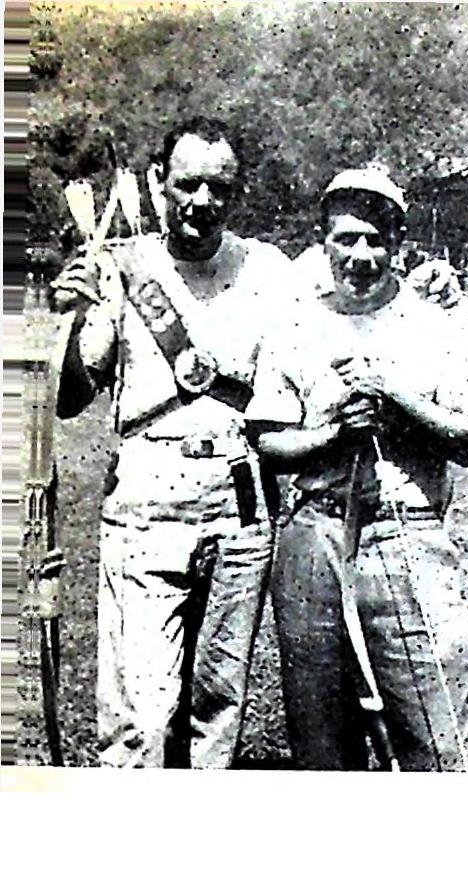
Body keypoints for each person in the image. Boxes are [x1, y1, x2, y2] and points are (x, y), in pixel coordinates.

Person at [50, 118, 295, 767]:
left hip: (241, 507)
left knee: (219, 707)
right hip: (147, 503)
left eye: (220, 187)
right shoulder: (123, 267)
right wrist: (80, 315)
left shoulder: (268, 271)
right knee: (143, 719)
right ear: (159, 182)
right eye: (188, 184)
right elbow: (72, 398)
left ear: (238, 192)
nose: (203, 201)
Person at [247, 167, 468, 770]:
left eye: (376, 240)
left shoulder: (436, 326)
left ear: (399, 242)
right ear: (322, 241)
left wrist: (395, 399)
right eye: (345, 239)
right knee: (321, 737)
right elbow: (270, 441)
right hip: (315, 538)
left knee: (433, 729)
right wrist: (334, 433)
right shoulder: (295, 324)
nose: (360, 256)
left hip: (405, 535)